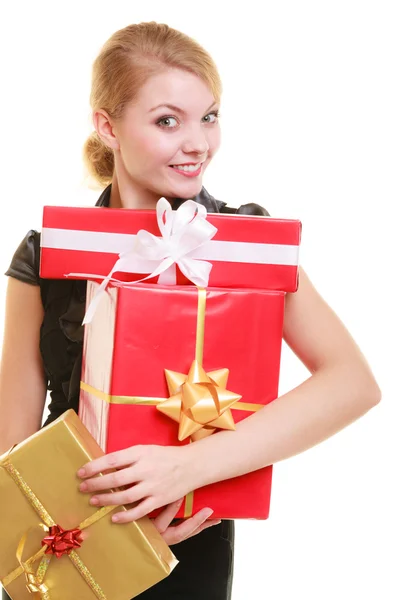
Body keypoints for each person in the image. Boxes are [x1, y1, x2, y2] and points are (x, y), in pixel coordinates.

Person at [0, 21, 380, 600]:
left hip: (192, 542)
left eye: (209, 115)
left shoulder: (246, 239)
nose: (198, 142)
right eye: (167, 121)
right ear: (107, 126)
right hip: (64, 540)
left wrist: (185, 470)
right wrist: (103, 528)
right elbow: (10, 452)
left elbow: (352, 384)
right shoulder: (51, 251)